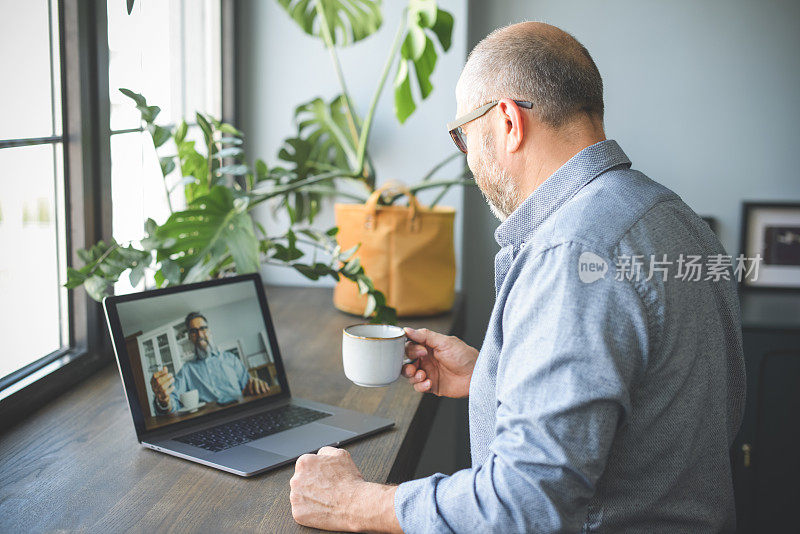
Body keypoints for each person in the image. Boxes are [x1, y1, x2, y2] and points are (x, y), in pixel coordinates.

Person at [288, 21, 745, 533]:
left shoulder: (570, 254)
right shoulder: (671, 215)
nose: (469, 159)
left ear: (507, 121)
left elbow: (522, 506)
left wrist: (351, 502)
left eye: (463, 137)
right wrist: (496, 378)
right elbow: (650, 407)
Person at [150, 312, 271, 413]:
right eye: (193, 331)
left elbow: (248, 386)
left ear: (210, 331)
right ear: (189, 337)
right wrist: (163, 400)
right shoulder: (186, 370)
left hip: (241, 412)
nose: (199, 334)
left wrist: (256, 384)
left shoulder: (231, 359)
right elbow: (173, 402)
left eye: (203, 328)